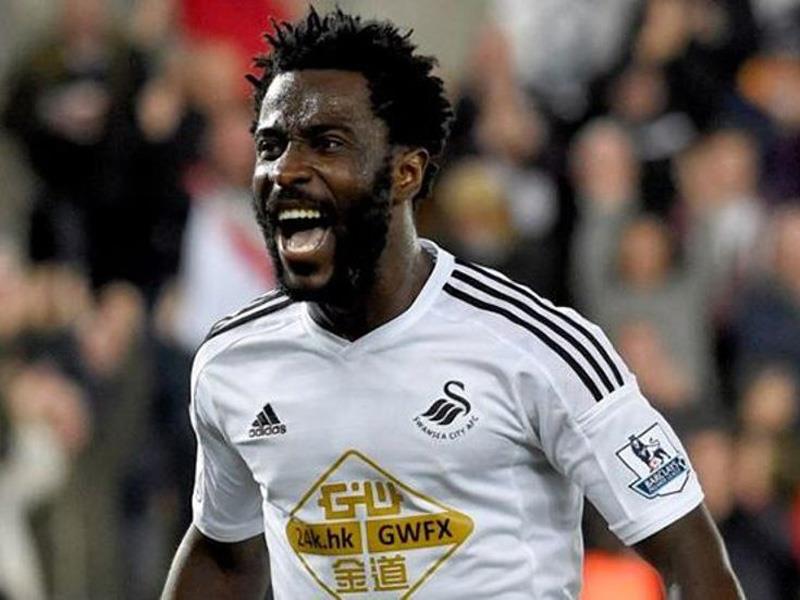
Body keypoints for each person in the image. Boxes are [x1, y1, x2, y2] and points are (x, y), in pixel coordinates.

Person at [162, 8, 742, 599]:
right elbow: (224, 555)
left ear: (406, 173)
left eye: (327, 143)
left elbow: (692, 560)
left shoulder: (539, 347)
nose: (285, 170)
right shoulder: (233, 361)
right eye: (271, 145)